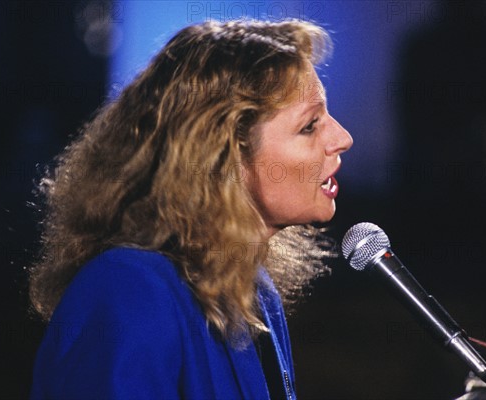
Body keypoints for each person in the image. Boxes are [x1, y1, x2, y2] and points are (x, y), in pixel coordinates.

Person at [28, 18, 353, 399]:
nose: (342, 138)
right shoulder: (128, 291)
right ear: (225, 155)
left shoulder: (256, 293)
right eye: (310, 126)